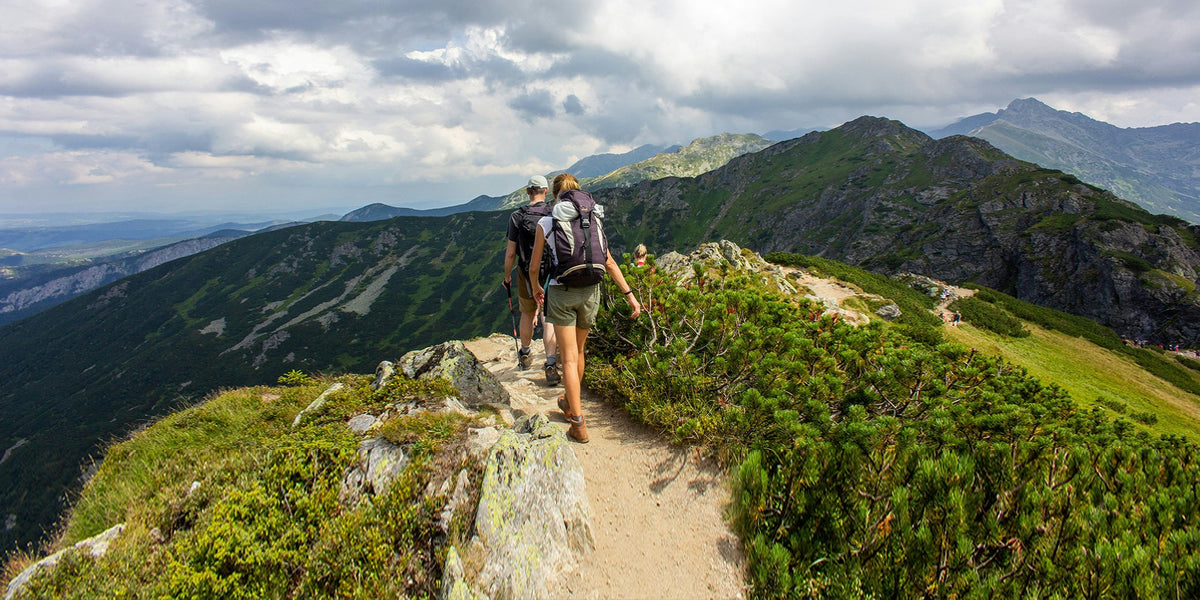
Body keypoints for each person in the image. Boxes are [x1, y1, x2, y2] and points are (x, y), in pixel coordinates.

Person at [530, 174, 641, 443]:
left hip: (562, 291)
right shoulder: (593, 219)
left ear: (556, 195)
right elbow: (610, 262)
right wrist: (630, 296)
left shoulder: (547, 222)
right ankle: (569, 402)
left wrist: (536, 287)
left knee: (567, 358)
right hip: (592, 291)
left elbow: (534, 266)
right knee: (579, 353)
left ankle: (578, 423)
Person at [502, 175, 560, 384]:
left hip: (526, 272)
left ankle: (525, 354)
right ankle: (551, 365)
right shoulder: (554, 213)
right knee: (549, 319)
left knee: (527, 313)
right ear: (546, 191)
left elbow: (510, 253)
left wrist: (508, 276)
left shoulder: (517, 216)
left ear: (527, 192)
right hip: (552, 273)